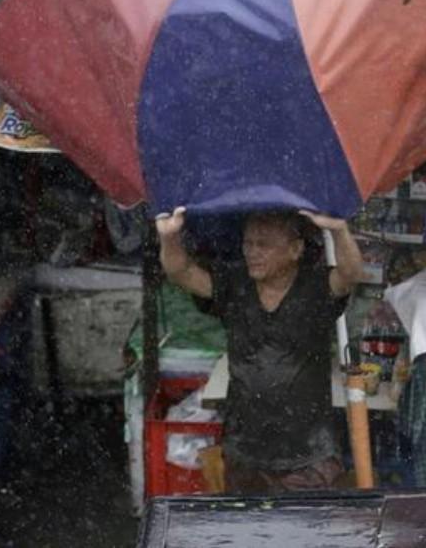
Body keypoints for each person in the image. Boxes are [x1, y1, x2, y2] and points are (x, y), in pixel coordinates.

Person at [155, 206, 364, 494]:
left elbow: (351, 274)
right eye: (248, 243)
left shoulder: (315, 287)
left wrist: (339, 230)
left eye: (263, 244)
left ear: (295, 250)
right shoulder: (235, 284)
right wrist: (169, 237)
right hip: (245, 452)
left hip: (307, 453)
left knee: (305, 535)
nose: (252, 252)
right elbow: (182, 272)